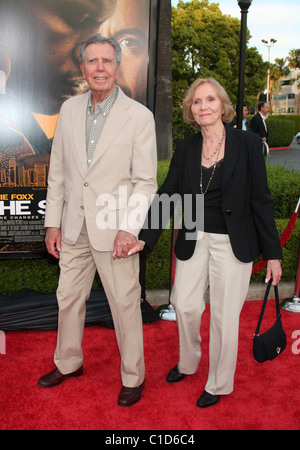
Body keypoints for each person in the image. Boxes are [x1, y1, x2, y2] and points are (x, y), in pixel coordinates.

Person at [128, 78, 282, 408]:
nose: (204, 107)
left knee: (225, 316)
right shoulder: (186, 148)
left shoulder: (248, 144)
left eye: (210, 100)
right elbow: (168, 193)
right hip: (194, 231)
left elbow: (261, 201)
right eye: (197, 102)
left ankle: (218, 382)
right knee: (183, 304)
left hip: (233, 240)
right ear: (190, 110)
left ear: (223, 106)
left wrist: (273, 254)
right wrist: (145, 236)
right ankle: (188, 361)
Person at [37, 34, 157, 408]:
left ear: (118, 67)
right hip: (73, 227)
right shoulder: (69, 110)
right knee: (68, 299)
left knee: (124, 304)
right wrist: (52, 223)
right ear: (82, 68)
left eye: (107, 61)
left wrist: (129, 228)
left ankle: (133, 376)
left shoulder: (139, 117)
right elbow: (58, 172)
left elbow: (145, 181)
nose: (100, 68)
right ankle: (69, 362)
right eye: (92, 61)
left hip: (116, 230)